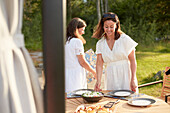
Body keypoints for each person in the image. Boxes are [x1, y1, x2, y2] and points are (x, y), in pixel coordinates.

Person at [92, 12, 138, 93]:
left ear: (116, 26)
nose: (108, 29)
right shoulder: (100, 43)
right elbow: (99, 63)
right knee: (112, 100)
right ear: (102, 26)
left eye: (111, 27)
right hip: (110, 76)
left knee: (127, 101)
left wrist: (133, 79)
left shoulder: (124, 39)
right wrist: (98, 81)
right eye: (106, 27)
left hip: (126, 75)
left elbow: (132, 60)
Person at [65, 18, 96, 93]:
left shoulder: (65, 41)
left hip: (66, 73)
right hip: (76, 74)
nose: (83, 32)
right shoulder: (77, 41)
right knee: (77, 96)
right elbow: (82, 62)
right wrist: (94, 72)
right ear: (76, 29)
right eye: (82, 29)